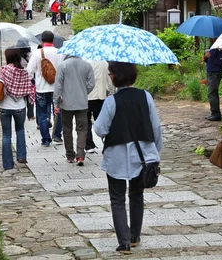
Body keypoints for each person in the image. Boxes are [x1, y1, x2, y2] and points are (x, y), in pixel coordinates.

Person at [94, 62, 163, 255]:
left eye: (110, 73)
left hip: (117, 156)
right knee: (136, 195)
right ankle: (134, 236)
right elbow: (156, 127)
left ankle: (123, 242)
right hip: (143, 156)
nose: (109, 76)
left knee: (117, 199)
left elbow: (100, 129)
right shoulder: (145, 97)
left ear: (116, 76)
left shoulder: (111, 101)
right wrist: (154, 151)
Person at [0, 48, 33, 173]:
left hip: (4, 107)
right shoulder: (24, 72)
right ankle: (21, 156)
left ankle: (8, 164)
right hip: (20, 106)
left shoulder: (3, 70)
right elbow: (28, 88)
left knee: (6, 135)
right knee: (20, 130)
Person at [53, 54, 95, 165]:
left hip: (66, 103)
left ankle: (70, 155)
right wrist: (83, 92)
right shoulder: (87, 65)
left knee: (67, 129)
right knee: (82, 129)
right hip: (82, 103)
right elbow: (91, 84)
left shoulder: (63, 65)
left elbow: (58, 86)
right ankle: (80, 155)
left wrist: (56, 102)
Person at [26, 30, 63, 146]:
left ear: (42, 41)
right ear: (53, 40)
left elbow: (29, 71)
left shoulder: (37, 53)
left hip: (41, 88)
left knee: (42, 114)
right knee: (58, 112)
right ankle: (57, 135)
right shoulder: (59, 53)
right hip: (56, 89)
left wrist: (35, 79)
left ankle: (46, 139)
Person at [86, 60, 115, 153]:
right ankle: (107, 143)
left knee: (86, 122)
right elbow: (109, 80)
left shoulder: (85, 62)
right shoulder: (104, 63)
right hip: (101, 96)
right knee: (103, 122)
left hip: (87, 96)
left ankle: (89, 145)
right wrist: (112, 92)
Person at [204, 39, 222, 121]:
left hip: (215, 73)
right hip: (210, 72)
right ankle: (214, 113)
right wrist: (206, 58)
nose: (210, 38)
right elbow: (208, 60)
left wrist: (211, 57)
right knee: (213, 93)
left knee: (211, 93)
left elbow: (220, 62)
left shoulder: (221, 48)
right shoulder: (211, 47)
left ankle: (216, 114)